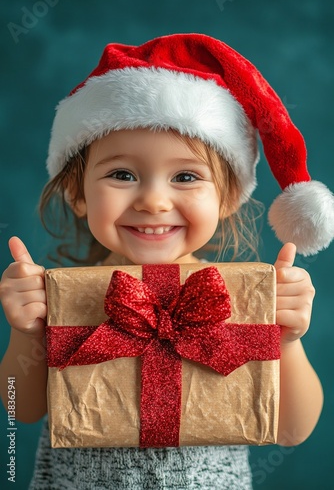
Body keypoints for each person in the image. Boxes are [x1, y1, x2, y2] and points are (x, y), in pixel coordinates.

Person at [0, 33, 333, 490]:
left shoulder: (245, 298)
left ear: (228, 196)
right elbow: (21, 409)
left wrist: (288, 340)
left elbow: (292, 431)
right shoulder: (61, 298)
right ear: (77, 193)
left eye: (185, 176)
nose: (154, 201)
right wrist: (25, 334)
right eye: (122, 174)